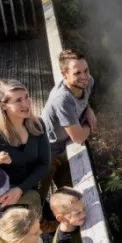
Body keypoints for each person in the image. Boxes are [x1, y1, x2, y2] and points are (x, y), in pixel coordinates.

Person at [0, 79, 54, 236]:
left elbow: (45, 164)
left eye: (26, 96)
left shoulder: (37, 125)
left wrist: (20, 189)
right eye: (18, 100)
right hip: (4, 209)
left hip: (30, 197)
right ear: (4, 105)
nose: (26, 103)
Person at [40, 49, 96, 199]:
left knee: (72, 199)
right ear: (64, 75)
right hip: (45, 154)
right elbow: (78, 138)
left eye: (86, 70)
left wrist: (88, 109)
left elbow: (83, 100)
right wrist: (89, 125)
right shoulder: (62, 99)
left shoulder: (88, 82)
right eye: (77, 73)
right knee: (37, 201)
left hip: (64, 149)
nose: (84, 76)